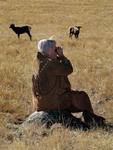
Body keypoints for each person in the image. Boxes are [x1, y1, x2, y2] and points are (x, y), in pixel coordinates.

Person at [31, 38, 105, 130]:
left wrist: (57, 57)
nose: (56, 50)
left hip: (41, 103)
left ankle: (90, 118)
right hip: (53, 102)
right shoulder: (50, 64)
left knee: (76, 96)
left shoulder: (39, 62)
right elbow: (68, 69)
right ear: (50, 50)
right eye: (54, 48)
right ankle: (91, 119)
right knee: (82, 96)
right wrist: (62, 56)